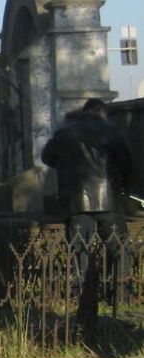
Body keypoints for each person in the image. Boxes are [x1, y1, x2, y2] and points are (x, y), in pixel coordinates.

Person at [41, 98, 133, 331]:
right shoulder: (111, 131)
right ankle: (119, 292)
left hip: (75, 201)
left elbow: (47, 157)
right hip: (109, 200)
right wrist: (123, 187)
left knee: (80, 248)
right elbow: (126, 164)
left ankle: (80, 293)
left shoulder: (65, 133)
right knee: (118, 247)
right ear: (102, 112)